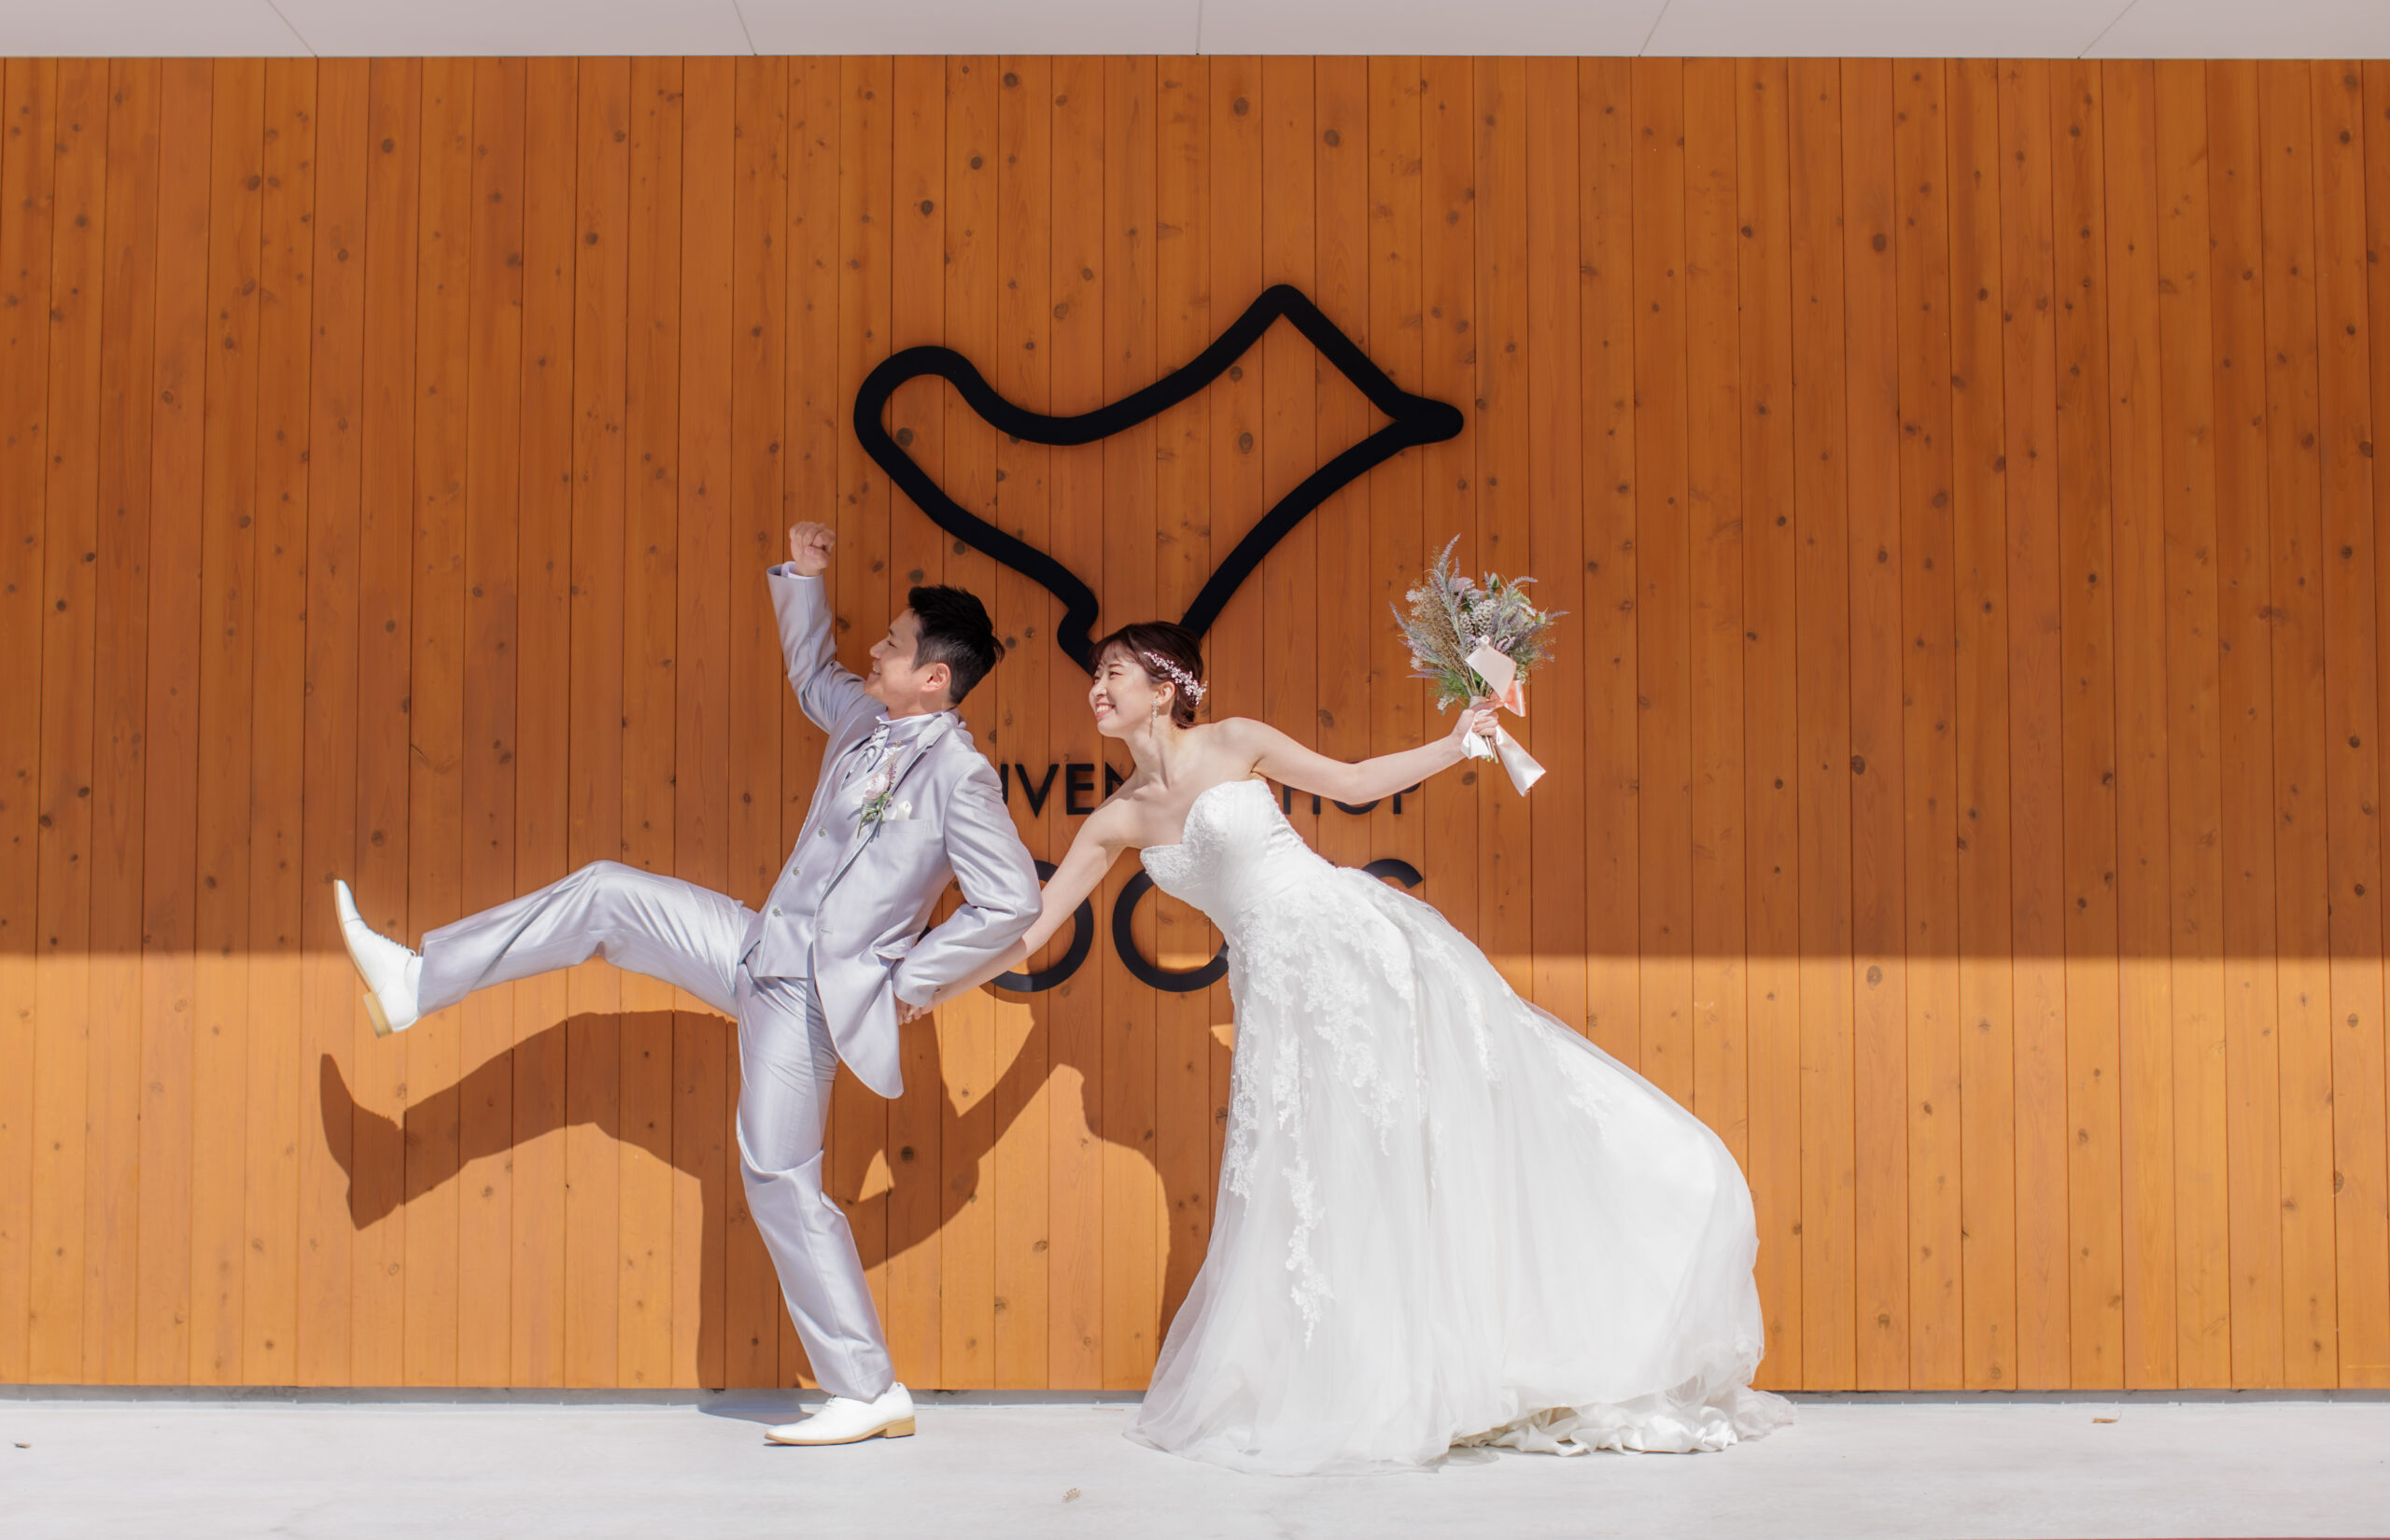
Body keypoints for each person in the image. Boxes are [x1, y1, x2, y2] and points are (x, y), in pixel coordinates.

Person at [955, 623, 1794, 1474]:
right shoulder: (1118, 816)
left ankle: (1556, 1297)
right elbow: (1033, 928)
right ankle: (1385, 1377)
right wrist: (934, 982)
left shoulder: (1234, 740)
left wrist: (1454, 743)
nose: (1096, 688)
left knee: (1421, 1139)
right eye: (1096, 675)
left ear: (1164, 687)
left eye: (1113, 672)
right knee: (1321, 1173)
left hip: (1354, 948)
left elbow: (1352, 783)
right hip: (1275, 997)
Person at [330, 521, 1040, 1447]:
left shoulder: (960, 774)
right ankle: (420, 978)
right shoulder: (865, 719)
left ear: (935, 676)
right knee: (605, 892)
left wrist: (909, 980)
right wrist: (804, 578)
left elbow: (1011, 902)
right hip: (753, 950)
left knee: (778, 1176)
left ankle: (868, 1390)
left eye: (895, 644)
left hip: (811, 999)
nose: (876, 648)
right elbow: (811, 676)